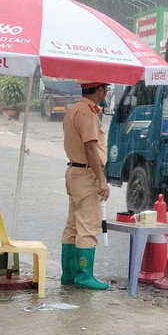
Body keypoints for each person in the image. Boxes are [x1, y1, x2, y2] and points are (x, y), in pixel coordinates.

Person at [61, 81, 110, 290]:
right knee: (88, 227)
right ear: (100, 90)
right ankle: (84, 276)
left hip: (73, 171)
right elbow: (91, 148)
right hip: (86, 174)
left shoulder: (72, 110)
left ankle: (69, 275)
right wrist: (101, 179)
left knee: (73, 226)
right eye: (106, 89)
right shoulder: (89, 113)